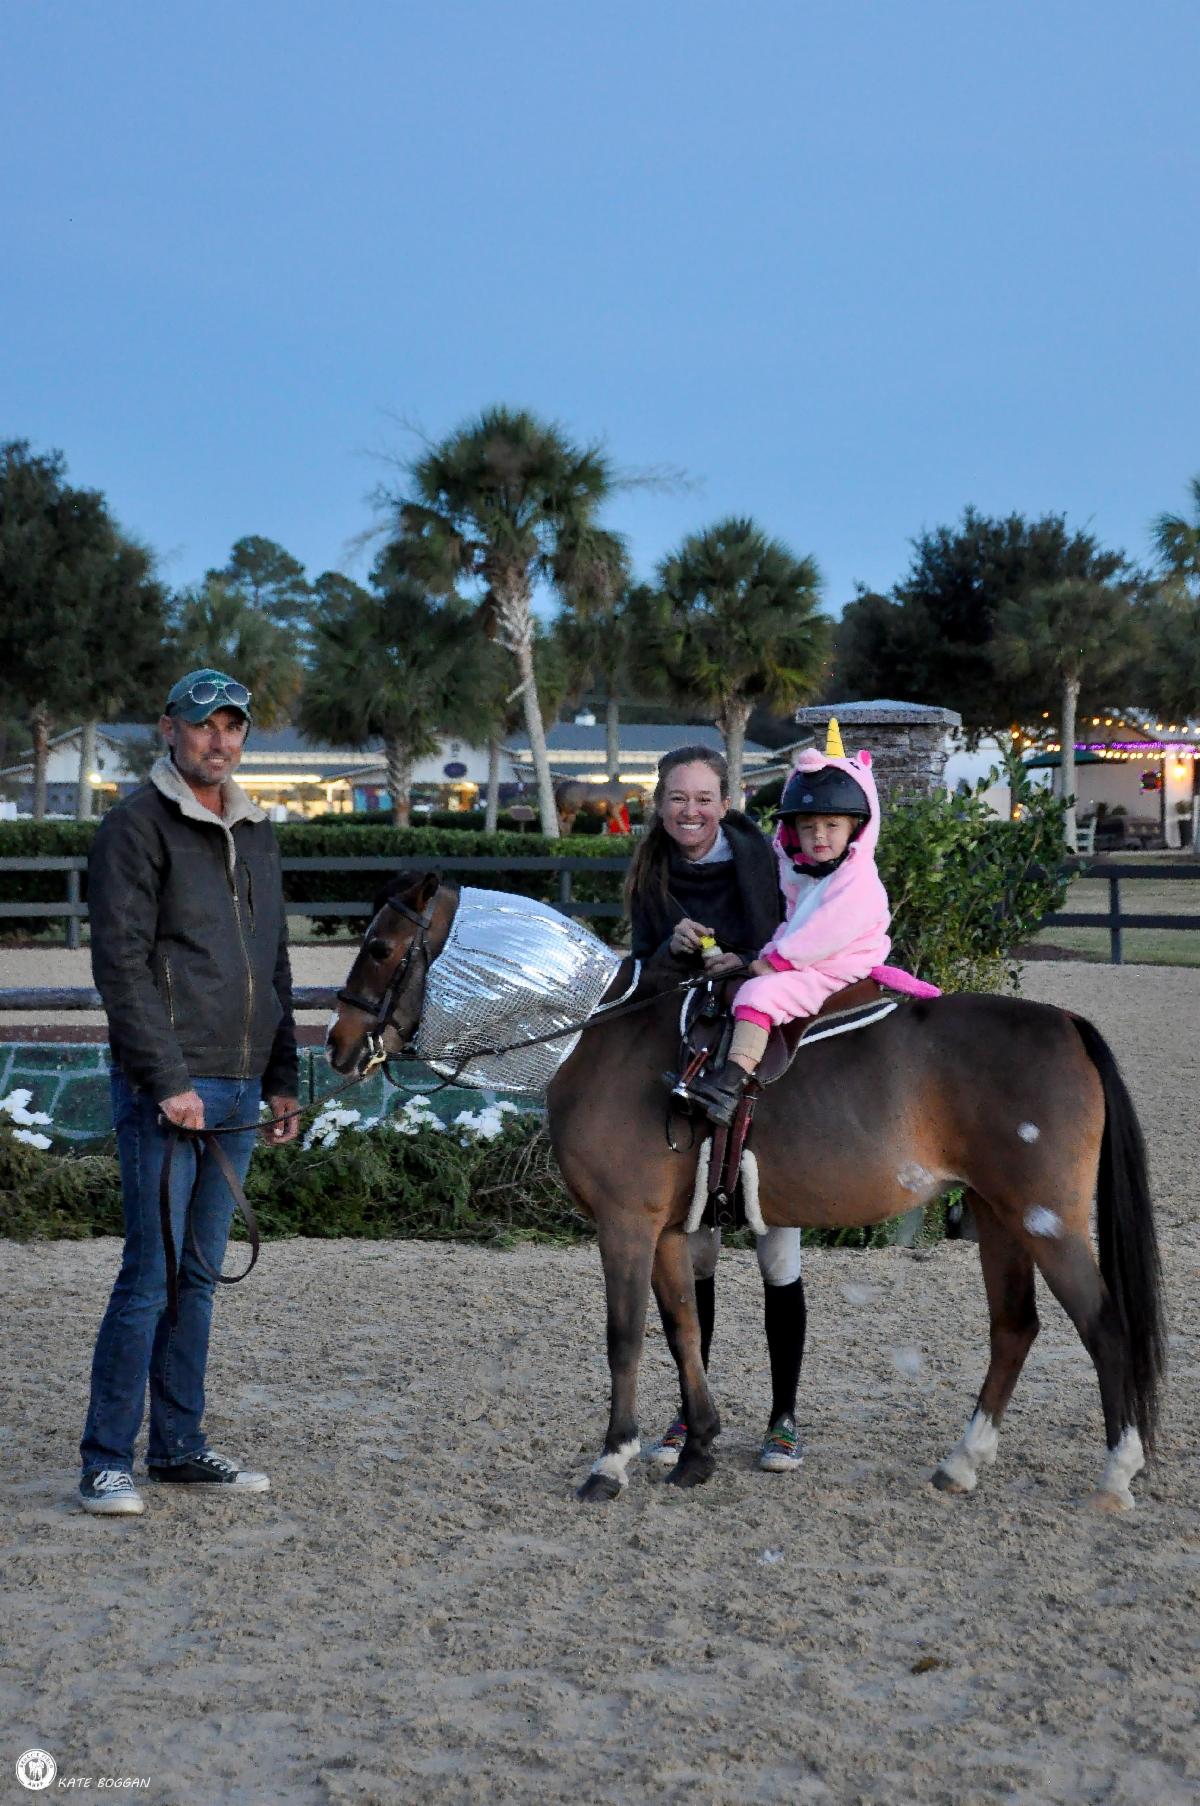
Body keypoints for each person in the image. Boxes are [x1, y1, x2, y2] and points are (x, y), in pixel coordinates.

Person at [78, 668, 300, 1517]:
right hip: (171, 1087)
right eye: (206, 724)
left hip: (241, 1087)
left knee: (199, 1277)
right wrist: (167, 1081)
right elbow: (121, 966)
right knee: (150, 1275)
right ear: (169, 728)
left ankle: (176, 1446)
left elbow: (273, 963)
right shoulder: (135, 828)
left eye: (233, 726)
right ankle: (106, 1460)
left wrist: (282, 1077)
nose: (221, 740)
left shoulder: (257, 832)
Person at [625, 744, 808, 1474]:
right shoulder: (649, 871)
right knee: (693, 1253)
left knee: (778, 1254)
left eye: (704, 798)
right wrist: (670, 952)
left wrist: (745, 959)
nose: (690, 811)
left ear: (726, 803)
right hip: (685, 1059)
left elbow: (792, 941)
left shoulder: (763, 860)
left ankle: (784, 1417)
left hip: (760, 1049)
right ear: (658, 804)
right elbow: (640, 973)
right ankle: (690, 1405)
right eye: (677, 798)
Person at [683, 719, 891, 1127]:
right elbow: (793, 926)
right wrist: (762, 955)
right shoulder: (813, 877)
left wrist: (775, 964)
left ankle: (728, 1086)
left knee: (759, 995)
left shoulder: (858, 880)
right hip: (818, 960)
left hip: (837, 967)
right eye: (808, 827)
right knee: (743, 983)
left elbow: (823, 935)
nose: (819, 836)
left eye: (832, 826)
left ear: (856, 827)